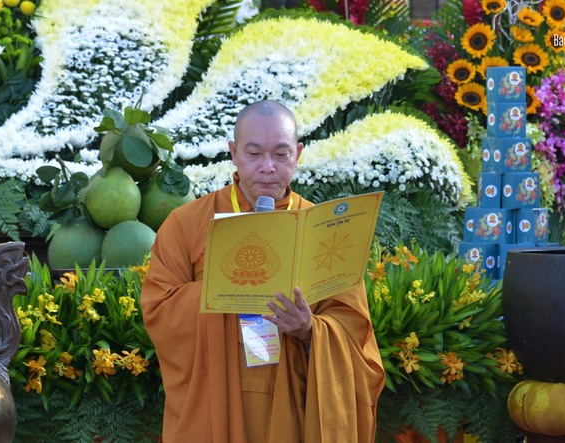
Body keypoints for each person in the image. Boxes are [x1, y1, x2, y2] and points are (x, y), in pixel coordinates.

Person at [140, 100, 385, 443]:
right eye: (254, 154)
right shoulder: (187, 223)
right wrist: (224, 289)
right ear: (234, 153)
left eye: (281, 155)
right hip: (218, 402)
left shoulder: (325, 230)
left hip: (295, 407)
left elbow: (353, 332)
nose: (267, 167)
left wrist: (309, 330)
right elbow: (159, 309)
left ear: (298, 154)